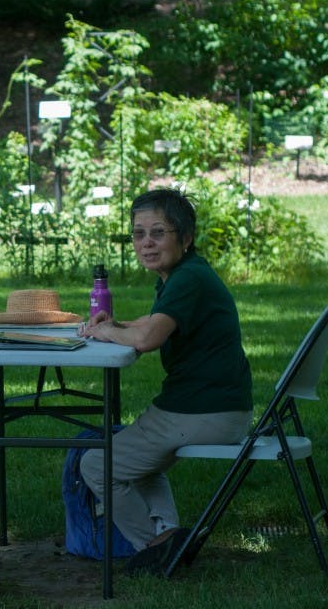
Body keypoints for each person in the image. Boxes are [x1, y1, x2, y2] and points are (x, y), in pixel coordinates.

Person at [76, 188, 253, 575]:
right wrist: (117, 325)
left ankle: (156, 549)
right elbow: (152, 323)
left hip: (200, 412)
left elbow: (149, 339)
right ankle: (169, 533)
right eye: (138, 234)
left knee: (95, 465)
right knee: (134, 459)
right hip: (221, 409)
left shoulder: (188, 279)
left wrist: (107, 334)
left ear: (185, 237)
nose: (147, 243)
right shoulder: (185, 275)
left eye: (158, 232)